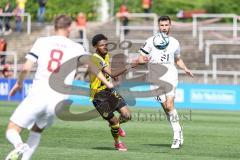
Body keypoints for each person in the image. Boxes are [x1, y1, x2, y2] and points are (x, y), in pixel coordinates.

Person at [5, 15, 114, 160]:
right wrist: (109, 84)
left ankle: (19, 145)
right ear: (69, 28)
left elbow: (26, 68)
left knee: (12, 130)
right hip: (58, 102)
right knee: (36, 131)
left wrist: (19, 84)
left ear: (54, 26)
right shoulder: (77, 47)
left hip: (39, 95)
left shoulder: (42, 42)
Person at [135, 16, 194, 149]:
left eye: (166, 25)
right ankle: (178, 129)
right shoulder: (150, 41)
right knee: (166, 109)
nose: (164, 27)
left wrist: (185, 68)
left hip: (170, 75)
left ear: (170, 26)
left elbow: (177, 59)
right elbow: (140, 59)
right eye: (162, 25)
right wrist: (145, 59)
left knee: (169, 105)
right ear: (158, 26)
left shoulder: (174, 42)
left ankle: (176, 136)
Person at [90, 34, 132, 151]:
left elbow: (109, 73)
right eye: (101, 45)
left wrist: (111, 78)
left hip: (109, 90)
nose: (104, 47)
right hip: (98, 95)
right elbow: (112, 72)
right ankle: (118, 143)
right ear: (95, 47)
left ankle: (116, 126)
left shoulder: (107, 55)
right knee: (113, 121)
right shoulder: (94, 58)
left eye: (106, 44)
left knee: (127, 116)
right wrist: (133, 64)